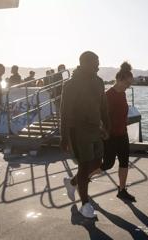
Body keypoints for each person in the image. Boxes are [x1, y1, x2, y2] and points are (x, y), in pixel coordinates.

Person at [61, 51, 109, 218]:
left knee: (97, 164)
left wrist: (106, 126)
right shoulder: (71, 85)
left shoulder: (99, 82)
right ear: (85, 64)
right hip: (78, 131)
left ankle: (72, 182)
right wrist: (63, 137)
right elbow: (64, 112)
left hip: (95, 130)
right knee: (84, 165)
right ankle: (85, 204)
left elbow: (103, 106)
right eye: (95, 62)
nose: (98, 65)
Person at [100, 62, 136, 202]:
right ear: (120, 80)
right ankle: (82, 178)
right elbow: (102, 117)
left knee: (124, 162)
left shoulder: (122, 94)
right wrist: (104, 133)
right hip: (110, 136)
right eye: (127, 84)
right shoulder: (108, 95)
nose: (128, 87)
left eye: (130, 85)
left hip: (122, 134)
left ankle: (122, 190)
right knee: (107, 164)